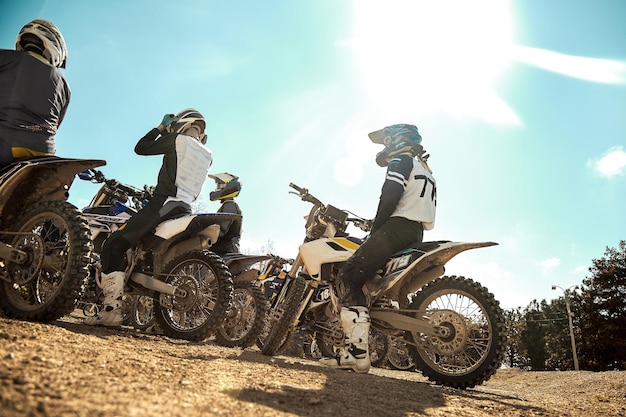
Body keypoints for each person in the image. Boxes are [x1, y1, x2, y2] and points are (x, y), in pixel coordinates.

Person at [320, 123, 437, 373]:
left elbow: (390, 196)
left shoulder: (401, 161)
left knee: (349, 276)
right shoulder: (425, 170)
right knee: (369, 274)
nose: (385, 147)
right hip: (415, 231)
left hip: (396, 230)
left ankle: (356, 353)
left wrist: (376, 230)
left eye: (386, 141)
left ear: (397, 140)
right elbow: (409, 203)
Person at [84, 108, 213, 327]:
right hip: (184, 207)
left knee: (113, 244)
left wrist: (160, 128)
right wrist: (170, 135)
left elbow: (141, 148)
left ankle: (111, 311)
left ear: (182, 124)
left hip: (162, 203)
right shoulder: (207, 154)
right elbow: (179, 157)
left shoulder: (177, 140)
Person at [0, 19, 70, 169]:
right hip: (43, 153)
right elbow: (56, 125)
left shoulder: (5, 58)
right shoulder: (65, 87)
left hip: (4, 145)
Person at [207, 173, 243, 255]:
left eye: (219, 186)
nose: (217, 189)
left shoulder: (230, 205)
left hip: (225, 251)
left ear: (228, 187)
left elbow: (220, 231)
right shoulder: (228, 205)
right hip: (224, 250)